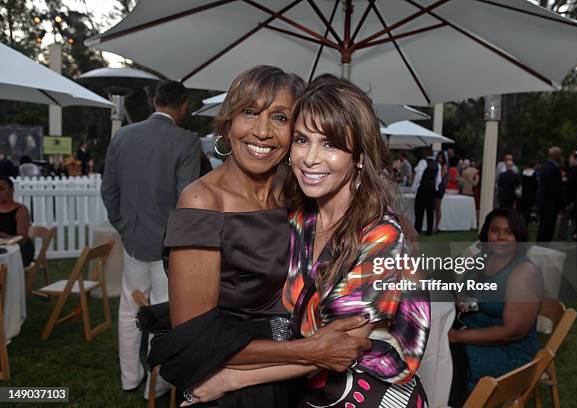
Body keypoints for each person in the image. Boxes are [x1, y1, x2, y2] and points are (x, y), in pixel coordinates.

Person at [184, 73, 430, 408]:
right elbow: (293, 326)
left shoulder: (380, 236)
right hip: (307, 393)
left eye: (330, 144)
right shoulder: (302, 219)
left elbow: (341, 350)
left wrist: (231, 377)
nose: (310, 158)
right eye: (302, 140)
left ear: (358, 156)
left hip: (365, 396)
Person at [153, 66, 369, 407]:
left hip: (297, 379)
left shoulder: (297, 192)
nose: (263, 131)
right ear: (227, 123)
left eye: (280, 118)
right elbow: (194, 337)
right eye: (249, 112)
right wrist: (310, 350)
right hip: (234, 383)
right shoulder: (203, 201)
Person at [101, 80, 201, 399]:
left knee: (130, 308)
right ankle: (155, 386)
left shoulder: (123, 136)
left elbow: (108, 190)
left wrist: (123, 225)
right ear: (183, 105)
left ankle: (130, 377)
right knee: (163, 310)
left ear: (155, 101)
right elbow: (187, 198)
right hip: (168, 244)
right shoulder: (186, 140)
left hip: (133, 239)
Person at [448, 208, 543, 405]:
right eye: (495, 230)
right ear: (486, 234)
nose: (500, 237)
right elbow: (467, 295)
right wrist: (462, 301)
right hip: (473, 334)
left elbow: (513, 332)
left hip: (510, 353)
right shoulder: (480, 261)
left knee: (448, 358)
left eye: (509, 232)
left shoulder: (524, 272)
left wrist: (457, 337)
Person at [0, 177, 35, 266]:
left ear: (12, 190)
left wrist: (2, 234)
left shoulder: (21, 210)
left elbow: (22, 240)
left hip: (19, 251)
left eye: (2, 189)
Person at [536, 147, 563, 242]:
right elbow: (556, 188)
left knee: (543, 226)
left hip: (542, 201)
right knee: (548, 228)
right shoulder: (554, 169)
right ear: (555, 155)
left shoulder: (543, 167)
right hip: (550, 203)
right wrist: (560, 204)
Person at [412, 147, 441, 235]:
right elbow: (438, 179)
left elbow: (418, 176)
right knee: (430, 211)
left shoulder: (423, 162)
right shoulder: (437, 164)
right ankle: (429, 231)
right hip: (432, 189)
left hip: (423, 188)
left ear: (427, 153)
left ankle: (418, 230)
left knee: (419, 210)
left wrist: (414, 188)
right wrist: (435, 187)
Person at [434, 151, 449, 234]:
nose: (439, 159)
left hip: (440, 188)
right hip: (436, 187)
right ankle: (435, 226)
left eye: (441, 157)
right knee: (435, 208)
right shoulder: (436, 165)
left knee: (437, 208)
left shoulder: (444, 166)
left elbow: (441, 177)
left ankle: (436, 226)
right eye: (438, 157)